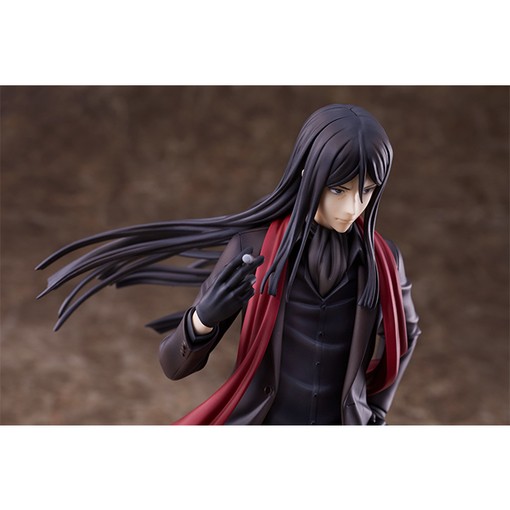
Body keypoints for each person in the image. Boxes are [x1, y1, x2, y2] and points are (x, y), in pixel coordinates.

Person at [37, 104, 421, 425]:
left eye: (366, 191)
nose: (352, 207)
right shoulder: (252, 249)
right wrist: (202, 319)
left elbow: (406, 336)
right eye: (339, 189)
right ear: (309, 174)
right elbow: (173, 365)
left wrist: (375, 410)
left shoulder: (383, 262)